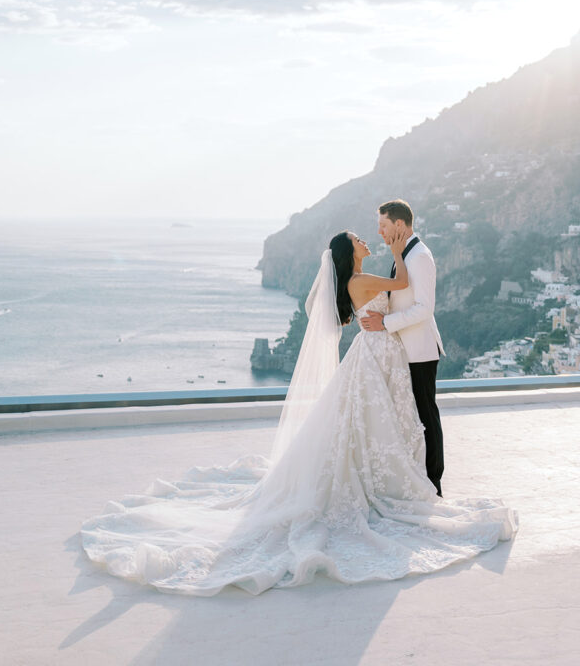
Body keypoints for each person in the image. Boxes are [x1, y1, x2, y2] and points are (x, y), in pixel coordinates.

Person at [80, 225, 517, 596]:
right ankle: (390, 482)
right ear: (350, 254)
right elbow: (402, 285)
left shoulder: (358, 280)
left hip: (377, 352)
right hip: (375, 353)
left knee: (365, 423)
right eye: (360, 240)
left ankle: (384, 477)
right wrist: (401, 250)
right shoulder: (362, 282)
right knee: (371, 421)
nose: (367, 241)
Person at [361, 199, 445, 495]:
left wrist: (384, 322)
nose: (380, 233)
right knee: (411, 416)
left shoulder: (419, 256)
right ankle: (416, 477)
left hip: (419, 348)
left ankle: (434, 482)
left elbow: (424, 308)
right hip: (403, 349)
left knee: (425, 414)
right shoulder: (403, 253)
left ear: (399, 224)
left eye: (383, 226)